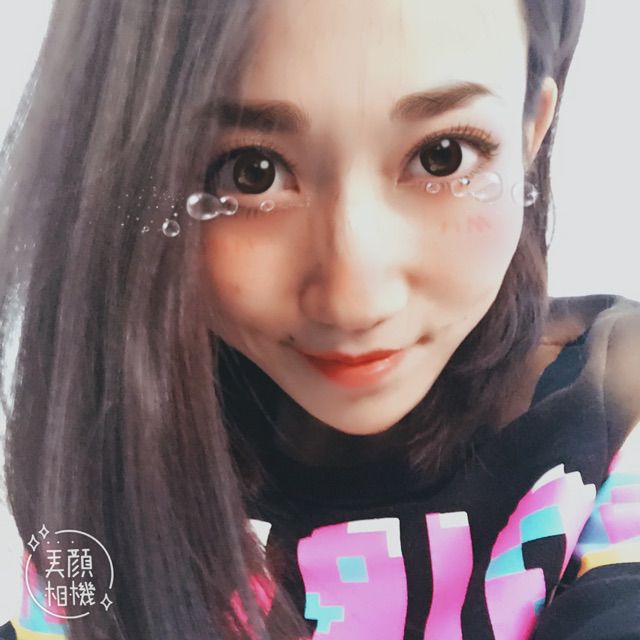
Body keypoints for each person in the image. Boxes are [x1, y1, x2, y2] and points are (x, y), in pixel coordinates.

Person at [1, 0, 639, 638]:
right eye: (251, 173)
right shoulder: (111, 464)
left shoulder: (616, 413)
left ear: (530, 132)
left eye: (442, 156)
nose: (355, 302)